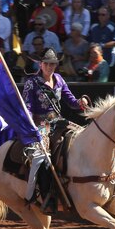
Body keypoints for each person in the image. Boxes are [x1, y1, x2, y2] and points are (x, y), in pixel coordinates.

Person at [21, 47, 89, 202]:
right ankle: (31, 194)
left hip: (58, 121)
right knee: (40, 157)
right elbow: (28, 107)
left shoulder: (59, 79)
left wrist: (80, 102)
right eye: (47, 64)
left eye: (53, 64)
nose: (50, 67)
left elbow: (71, 101)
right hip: (41, 123)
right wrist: (32, 126)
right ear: (40, 64)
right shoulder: (31, 83)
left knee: (84, 135)